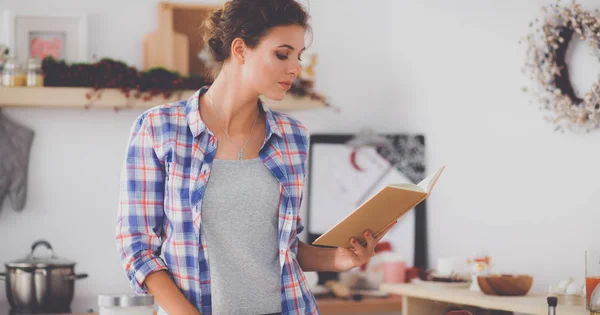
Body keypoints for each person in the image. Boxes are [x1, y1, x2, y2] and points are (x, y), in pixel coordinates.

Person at [115, 1, 396, 314]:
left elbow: (283, 246)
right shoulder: (160, 129)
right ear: (240, 50)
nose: (295, 68)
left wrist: (337, 259)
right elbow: (138, 248)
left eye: (298, 56)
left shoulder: (292, 137)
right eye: (282, 54)